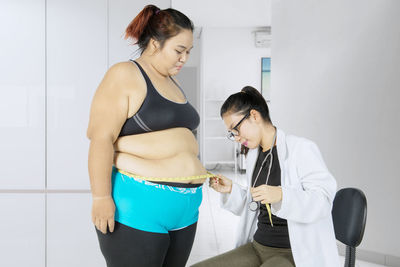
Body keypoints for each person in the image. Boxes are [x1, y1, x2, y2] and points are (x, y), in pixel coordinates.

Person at [87, 5, 212, 267]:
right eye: (179, 50)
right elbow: (101, 139)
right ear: (155, 44)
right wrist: (101, 197)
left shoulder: (172, 83)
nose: (184, 58)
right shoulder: (125, 74)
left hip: (185, 212)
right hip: (138, 208)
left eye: (188, 51)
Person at [192, 86, 340, 267]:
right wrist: (232, 190)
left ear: (254, 116)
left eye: (235, 129)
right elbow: (254, 205)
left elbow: (323, 201)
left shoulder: (301, 149)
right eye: (232, 134)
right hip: (257, 247)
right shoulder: (254, 155)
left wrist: (281, 195)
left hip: (293, 252)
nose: (236, 137)